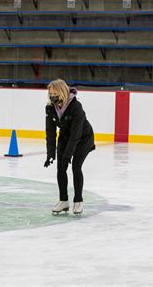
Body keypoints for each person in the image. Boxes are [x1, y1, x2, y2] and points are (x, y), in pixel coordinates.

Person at [44, 79, 95, 215]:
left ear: (62, 92)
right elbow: (50, 133)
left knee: (76, 167)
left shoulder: (76, 107)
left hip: (83, 138)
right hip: (65, 138)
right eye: (50, 93)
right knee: (61, 168)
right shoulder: (50, 108)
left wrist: (67, 155)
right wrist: (50, 154)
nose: (52, 96)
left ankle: (78, 201)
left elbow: (76, 135)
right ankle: (63, 201)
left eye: (55, 93)